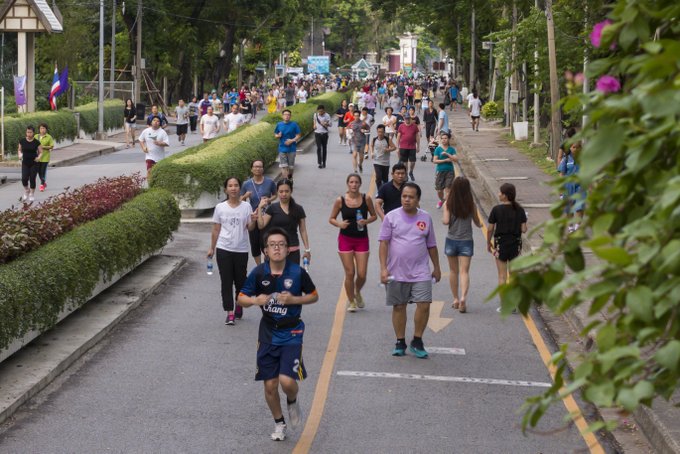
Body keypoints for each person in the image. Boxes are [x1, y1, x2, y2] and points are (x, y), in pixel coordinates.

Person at [237, 227, 318, 442]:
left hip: (292, 332)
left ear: (288, 249)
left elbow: (313, 296)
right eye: (272, 245)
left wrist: (294, 300)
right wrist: (255, 301)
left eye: (281, 244)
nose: (277, 248)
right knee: (270, 385)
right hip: (267, 334)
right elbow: (241, 298)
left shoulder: (297, 272)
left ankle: (292, 400)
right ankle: (279, 423)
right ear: (265, 250)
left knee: (287, 382)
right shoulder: (259, 273)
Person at [379, 182, 441, 358]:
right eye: (404, 196)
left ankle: (417, 340)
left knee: (424, 304)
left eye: (411, 197)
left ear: (418, 199)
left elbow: (432, 245)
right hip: (396, 271)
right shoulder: (390, 217)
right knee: (399, 306)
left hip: (421, 270)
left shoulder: (426, 218)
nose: (406, 200)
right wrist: (383, 268)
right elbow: (383, 243)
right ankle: (400, 341)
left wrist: (436, 267)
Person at [208, 177, 258, 325]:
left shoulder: (246, 207)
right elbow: (216, 229)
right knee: (226, 282)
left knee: (241, 281)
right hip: (224, 248)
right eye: (230, 186)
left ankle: (239, 305)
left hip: (241, 249)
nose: (233, 188)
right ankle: (229, 312)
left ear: (239, 188)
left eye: (236, 185)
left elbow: (250, 228)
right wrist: (212, 248)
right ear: (226, 190)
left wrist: (253, 220)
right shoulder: (220, 208)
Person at [328, 174, 377, 312]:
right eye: (351, 182)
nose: (354, 185)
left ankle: (357, 291)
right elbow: (331, 218)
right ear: (347, 184)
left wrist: (366, 221)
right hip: (345, 239)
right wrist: (339, 224)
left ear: (360, 184)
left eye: (356, 182)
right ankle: (351, 302)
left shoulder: (366, 198)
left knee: (362, 274)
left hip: (362, 239)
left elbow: (374, 216)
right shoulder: (340, 200)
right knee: (350, 273)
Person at [442, 176, 482, 313]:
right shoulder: (471, 204)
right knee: (464, 271)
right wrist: (480, 224)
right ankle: (464, 297)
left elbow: (446, 221)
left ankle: (455, 299)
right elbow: (477, 222)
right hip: (466, 240)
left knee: (454, 271)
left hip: (451, 240)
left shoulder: (448, 203)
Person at [257, 179, 310, 265]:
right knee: (274, 277)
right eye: (281, 191)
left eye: (286, 191)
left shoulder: (298, 209)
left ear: (291, 191)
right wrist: (260, 208)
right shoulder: (272, 208)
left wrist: (307, 249)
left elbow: (303, 230)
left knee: (292, 277)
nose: (284, 194)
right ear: (277, 192)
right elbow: (261, 225)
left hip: (293, 249)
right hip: (275, 249)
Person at [487, 183, 528, 290]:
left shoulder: (496, 209)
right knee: (514, 276)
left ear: (505, 195)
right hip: (515, 244)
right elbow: (524, 229)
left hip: (501, 245)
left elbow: (490, 229)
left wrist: (488, 242)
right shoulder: (520, 209)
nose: (498, 194)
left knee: (502, 277)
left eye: (500, 192)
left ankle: (504, 305)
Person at [241, 159, 278, 265]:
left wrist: (269, 200)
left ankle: (269, 263)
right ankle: (259, 266)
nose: (258, 169)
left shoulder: (269, 182)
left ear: (263, 168)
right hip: (253, 217)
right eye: (256, 166)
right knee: (255, 243)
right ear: (251, 169)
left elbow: (275, 194)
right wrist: (245, 196)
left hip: (267, 216)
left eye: (260, 166)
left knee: (267, 241)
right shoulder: (246, 184)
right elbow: (240, 201)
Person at [558, 141, 585, 232]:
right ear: (570, 148)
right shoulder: (566, 159)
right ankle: (570, 227)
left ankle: (578, 226)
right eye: (573, 147)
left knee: (580, 206)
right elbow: (561, 174)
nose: (575, 149)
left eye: (578, 147)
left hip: (580, 185)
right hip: (568, 186)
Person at [138, 117, 170, 181]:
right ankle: (150, 187)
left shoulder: (162, 132)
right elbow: (140, 139)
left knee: (158, 174)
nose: (155, 122)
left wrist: (160, 143)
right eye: (154, 120)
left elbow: (167, 143)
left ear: (159, 123)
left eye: (158, 121)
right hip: (149, 156)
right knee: (149, 171)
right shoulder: (146, 131)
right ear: (151, 122)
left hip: (160, 157)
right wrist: (143, 147)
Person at [432, 132, 458, 209]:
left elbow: (456, 159)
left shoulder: (452, 149)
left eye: (445, 138)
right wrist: (445, 160)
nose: (444, 140)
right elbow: (434, 161)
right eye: (442, 138)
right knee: (439, 190)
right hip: (440, 171)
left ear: (448, 139)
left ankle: (447, 205)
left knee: (448, 189)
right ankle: (442, 200)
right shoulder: (438, 149)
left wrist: (448, 154)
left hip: (450, 171)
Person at [274, 110, 302, 180]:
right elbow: (275, 134)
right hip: (282, 148)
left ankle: (290, 178)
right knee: (283, 166)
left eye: (288, 115)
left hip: (292, 148)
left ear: (290, 116)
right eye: (285, 114)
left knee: (290, 167)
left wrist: (292, 140)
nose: (287, 116)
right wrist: (278, 136)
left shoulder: (294, 124)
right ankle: (285, 181)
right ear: (282, 116)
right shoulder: (279, 124)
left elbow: (298, 135)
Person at [18, 125, 43, 202]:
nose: (28, 134)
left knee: (32, 178)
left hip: (34, 163)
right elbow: (19, 150)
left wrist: (38, 158)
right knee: (24, 178)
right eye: (27, 132)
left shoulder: (36, 142)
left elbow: (41, 152)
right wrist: (19, 154)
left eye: (30, 132)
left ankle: (32, 194)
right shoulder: (22, 141)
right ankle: (27, 190)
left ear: (33, 133)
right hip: (25, 162)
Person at [396, 113, 420, 182]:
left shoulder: (414, 126)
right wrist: (397, 147)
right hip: (403, 146)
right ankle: (406, 174)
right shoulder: (401, 126)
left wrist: (418, 146)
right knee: (405, 162)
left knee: (413, 161)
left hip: (412, 146)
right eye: (406, 118)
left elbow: (417, 136)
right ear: (404, 119)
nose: (407, 120)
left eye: (408, 118)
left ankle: (411, 172)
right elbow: (398, 136)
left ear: (410, 119)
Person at [371, 124, 397, 189]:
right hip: (377, 161)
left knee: (385, 179)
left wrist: (388, 150)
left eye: (382, 132)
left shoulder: (387, 140)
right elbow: (371, 146)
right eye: (379, 132)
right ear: (377, 132)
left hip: (385, 162)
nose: (380, 133)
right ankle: (379, 191)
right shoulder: (374, 139)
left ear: (384, 132)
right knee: (378, 177)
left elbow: (394, 147)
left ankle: (384, 190)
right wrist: (372, 152)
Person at [36, 123, 54, 192]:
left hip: (45, 157)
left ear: (46, 129)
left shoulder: (49, 137)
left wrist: (43, 147)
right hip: (37, 157)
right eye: (41, 128)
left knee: (43, 171)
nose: (42, 130)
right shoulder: (36, 136)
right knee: (38, 171)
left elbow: (51, 146)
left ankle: (41, 185)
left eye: (43, 128)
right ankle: (43, 182)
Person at [313, 104, 332, 169]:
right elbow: (314, 121)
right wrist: (314, 125)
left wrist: (326, 123)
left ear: (324, 110)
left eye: (321, 111)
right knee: (319, 148)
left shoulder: (327, 115)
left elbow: (330, 124)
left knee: (324, 148)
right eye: (319, 111)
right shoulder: (315, 115)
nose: (320, 113)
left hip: (324, 133)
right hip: (317, 133)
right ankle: (319, 163)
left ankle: (324, 162)